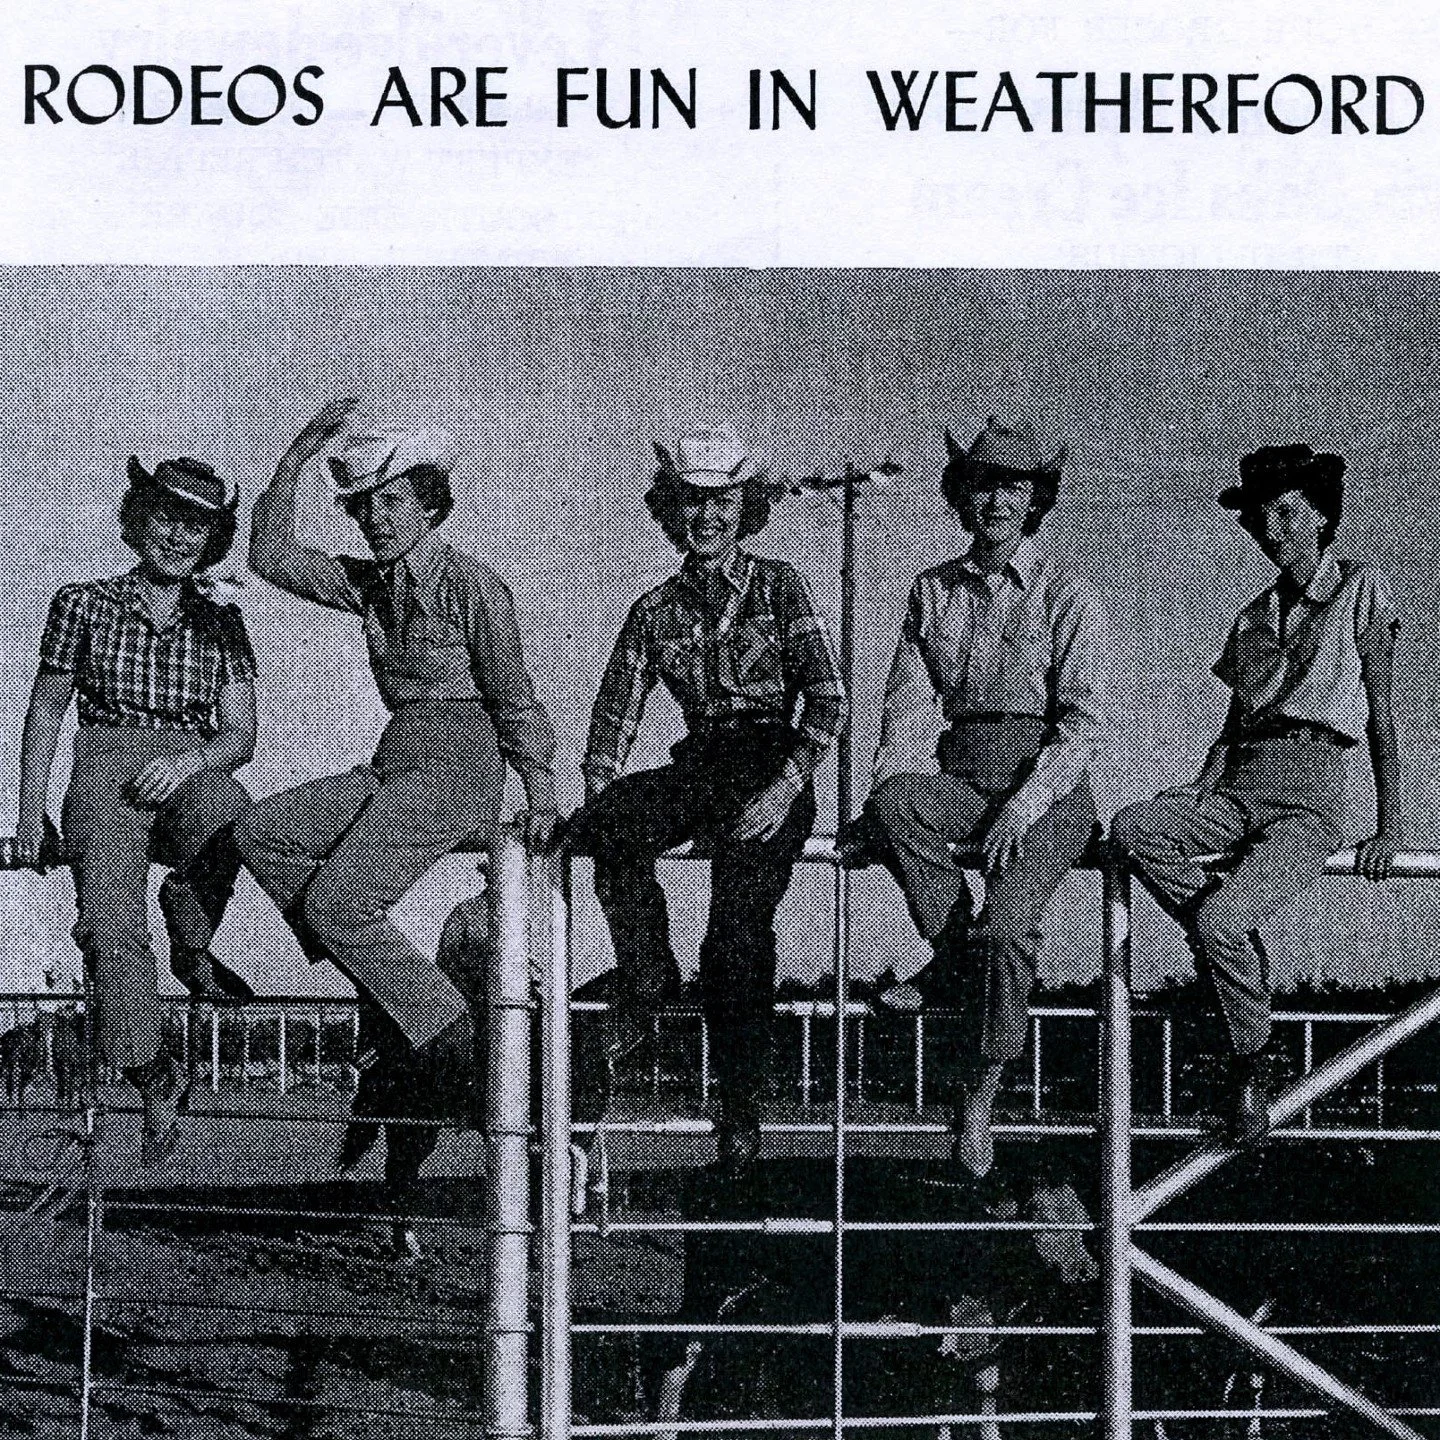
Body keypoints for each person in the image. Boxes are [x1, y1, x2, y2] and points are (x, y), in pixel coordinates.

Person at [236, 399, 558, 1181]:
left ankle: (444, 1032)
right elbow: (270, 558)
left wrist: (541, 790)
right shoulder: (366, 586)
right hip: (395, 756)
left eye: (390, 501)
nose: (373, 520)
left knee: (336, 903)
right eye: (360, 507)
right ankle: (405, 998)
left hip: (461, 759)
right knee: (261, 832)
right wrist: (298, 455)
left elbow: (513, 693)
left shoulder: (473, 584)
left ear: (429, 502)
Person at [564, 422, 846, 1171]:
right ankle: (647, 969)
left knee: (734, 939)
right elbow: (616, 710)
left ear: (744, 506)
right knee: (605, 822)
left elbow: (827, 699)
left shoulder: (780, 583)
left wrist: (788, 787)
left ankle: (740, 1106)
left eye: (721, 500)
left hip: (769, 762)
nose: (707, 516)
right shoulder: (654, 609)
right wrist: (599, 793)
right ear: (670, 512)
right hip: (701, 761)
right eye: (691, 502)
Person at [1110, 443, 1404, 1146]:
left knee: (1217, 923)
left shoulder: (1363, 586)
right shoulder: (1250, 618)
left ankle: (1251, 1054)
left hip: (1310, 795)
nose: (1271, 529)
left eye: (1286, 511)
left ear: (1321, 515)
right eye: (1259, 518)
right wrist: (1200, 789)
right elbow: (1231, 727)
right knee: (1131, 828)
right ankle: (1231, 937)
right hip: (1240, 783)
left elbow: (1383, 716)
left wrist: (1390, 827)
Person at [845, 419, 1107, 1179]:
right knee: (897, 806)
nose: (997, 499)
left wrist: (1026, 804)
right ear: (961, 496)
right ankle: (954, 967)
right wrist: (879, 797)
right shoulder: (932, 590)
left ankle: (979, 1093)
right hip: (963, 778)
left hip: (1051, 786)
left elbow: (1086, 720)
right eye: (984, 483)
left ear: (1036, 500)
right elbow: (904, 709)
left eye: (1014, 485)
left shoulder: (1068, 591)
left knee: (1004, 931)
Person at [16, 455, 257, 1164]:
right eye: (167, 519)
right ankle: (155, 1074)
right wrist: (32, 814)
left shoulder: (223, 622)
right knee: (110, 929)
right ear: (137, 521)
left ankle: (192, 944)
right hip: (104, 767)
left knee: (238, 818)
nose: (179, 538)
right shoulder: (82, 602)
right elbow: (46, 710)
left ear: (212, 540)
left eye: (197, 527)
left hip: (191, 762)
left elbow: (240, 735)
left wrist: (188, 761)